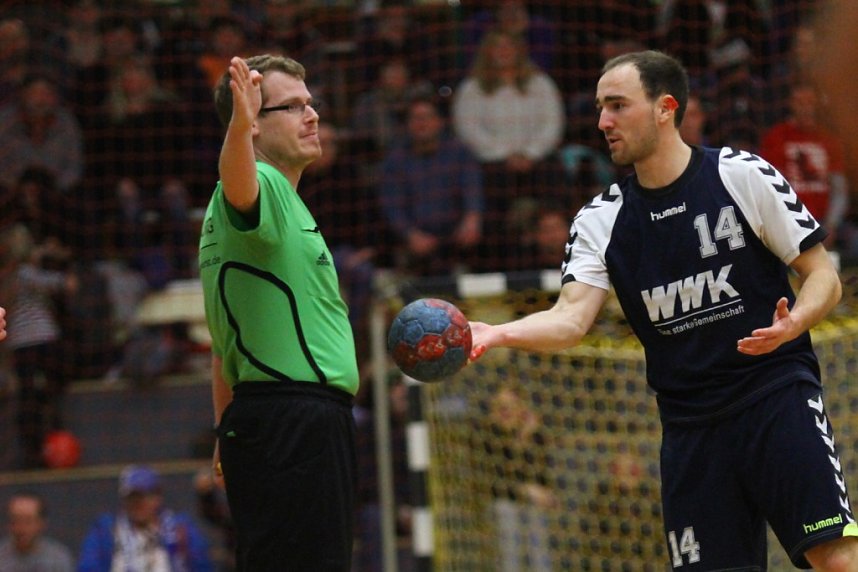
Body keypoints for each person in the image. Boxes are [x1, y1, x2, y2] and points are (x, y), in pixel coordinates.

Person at [467, 50, 858, 570]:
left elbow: (823, 275)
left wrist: (796, 323)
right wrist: (496, 333)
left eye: (617, 106)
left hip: (774, 398)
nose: (603, 121)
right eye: (600, 107)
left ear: (664, 108)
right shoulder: (600, 220)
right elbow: (570, 319)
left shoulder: (739, 175)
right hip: (690, 428)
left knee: (835, 557)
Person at [199, 54, 360, 571]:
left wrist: (225, 431)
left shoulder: (282, 205)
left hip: (275, 419)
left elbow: (224, 350)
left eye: (310, 104)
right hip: (295, 422)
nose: (311, 115)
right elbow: (237, 179)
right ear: (252, 125)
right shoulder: (255, 188)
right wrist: (240, 126)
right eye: (291, 107)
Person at [379, 94, 484, 276]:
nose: (422, 123)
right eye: (415, 118)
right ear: (407, 124)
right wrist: (409, 234)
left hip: (458, 238)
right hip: (414, 242)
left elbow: (472, 188)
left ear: (440, 122)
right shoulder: (395, 161)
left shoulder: (460, 153)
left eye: (427, 117)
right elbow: (392, 206)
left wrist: (472, 219)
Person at [759, 82, 849, 251]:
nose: (805, 108)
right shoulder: (776, 137)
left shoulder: (829, 140)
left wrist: (831, 225)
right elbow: (771, 187)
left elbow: (839, 190)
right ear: (791, 105)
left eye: (810, 103)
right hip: (788, 220)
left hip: (824, 221)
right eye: (800, 102)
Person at [77, 464, 213, 572]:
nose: (138, 504)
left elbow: (202, 567)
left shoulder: (180, 529)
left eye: (144, 497)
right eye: (132, 498)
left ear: (158, 497)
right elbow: (88, 567)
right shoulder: (106, 531)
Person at [0, 491, 73, 572]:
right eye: (15, 520)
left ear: (41, 524)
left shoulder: (57, 559)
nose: (21, 528)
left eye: (28, 521)